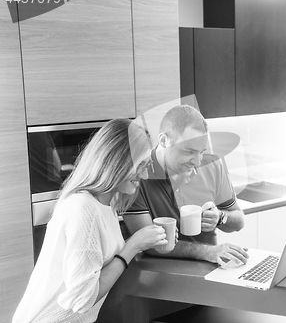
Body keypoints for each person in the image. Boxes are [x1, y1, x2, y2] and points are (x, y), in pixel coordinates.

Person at [13, 119, 170, 323]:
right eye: (139, 165)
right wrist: (133, 246)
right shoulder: (84, 209)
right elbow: (82, 299)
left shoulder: (107, 204)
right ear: (116, 161)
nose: (145, 174)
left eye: (146, 165)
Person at [124, 105, 249, 266]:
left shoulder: (212, 165)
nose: (197, 162)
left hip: (209, 266)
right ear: (164, 140)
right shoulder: (138, 173)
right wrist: (206, 252)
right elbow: (148, 244)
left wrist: (220, 217)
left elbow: (239, 220)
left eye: (201, 152)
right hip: (156, 273)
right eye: (189, 152)